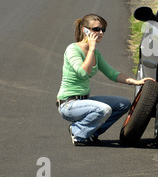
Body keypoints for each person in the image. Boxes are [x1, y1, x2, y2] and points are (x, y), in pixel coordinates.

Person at [56, 13, 152, 146]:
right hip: (68, 105)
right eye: (96, 29)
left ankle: (90, 133)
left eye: (103, 30)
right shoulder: (73, 49)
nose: (100, 32)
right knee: (104, 110)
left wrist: (135, 81)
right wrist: (91, 48)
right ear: (85, 30)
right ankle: (78, 131)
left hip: (84, 101)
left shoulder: (95, 53)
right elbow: (83, 73)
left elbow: (112, 73)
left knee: (123, 104)